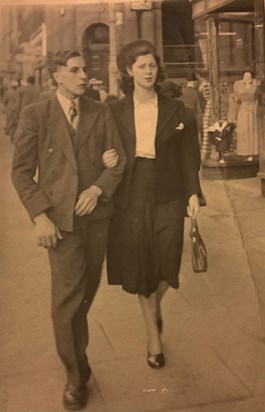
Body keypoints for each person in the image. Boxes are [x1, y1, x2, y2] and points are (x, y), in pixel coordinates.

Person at [11, 50, 126, 411]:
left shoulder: (99, 110)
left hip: (95, 220)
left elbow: (119, 160)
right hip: (60, 224)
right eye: (74, 71)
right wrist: (40, 216)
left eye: (84, 69)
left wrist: (97, 189)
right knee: (67, 300)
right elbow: (21, 172)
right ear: (57, 76)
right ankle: (75, 376)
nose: (82, 76)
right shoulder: (36, 115)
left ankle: (78, 359)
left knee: (85, 295)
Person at [105, 40, 201, 369]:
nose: (148, 71)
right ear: (128, 71)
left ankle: (154, 309)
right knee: (142, 265)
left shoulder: (177, 111)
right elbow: (105, 147)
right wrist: (106, 158)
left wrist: (193, 192)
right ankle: (152, 336)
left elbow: (189, 154)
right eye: (141, 66)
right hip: (131, 193)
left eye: (152, 65)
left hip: (169, 191)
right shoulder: (113, 110)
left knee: (168, 262)